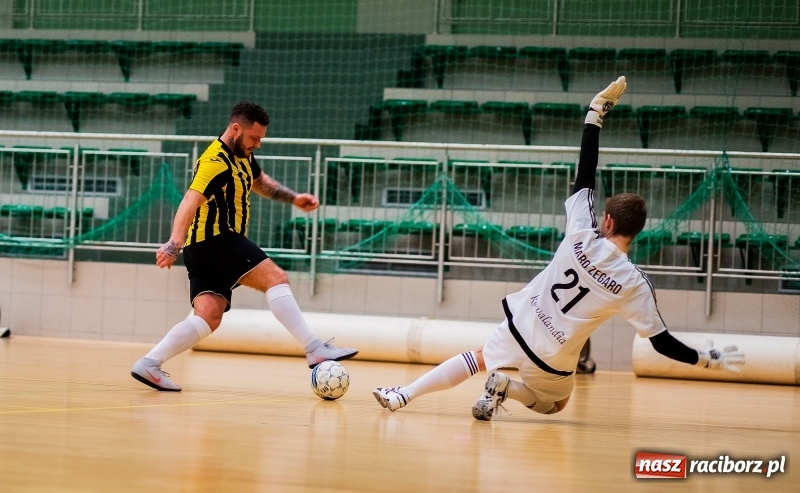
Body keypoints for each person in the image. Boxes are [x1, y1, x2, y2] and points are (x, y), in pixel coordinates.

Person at [373, 77, 745, 419]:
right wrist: (704, 359)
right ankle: (509, 389)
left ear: (608, 221)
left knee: (477, 358)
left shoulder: (581, 231)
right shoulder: (634, 283)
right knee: (556, 404)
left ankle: (402, 395)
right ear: (638, 231)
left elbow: (585, 173)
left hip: (522, 324)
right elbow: (661, 343)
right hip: (554, 357)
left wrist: (594, 115)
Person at [132, 101, 357, 391]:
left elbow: (260, 182)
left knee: (209, 317)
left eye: (260, 139)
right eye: (254, 138)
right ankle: (314, 348)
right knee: (276, 278)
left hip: (203, 250)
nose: (257, 144)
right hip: (218, 240)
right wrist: (174, 243)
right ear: (236, 129)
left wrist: (294, 198)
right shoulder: (216, 161)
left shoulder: (242, 154)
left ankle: (149, 364)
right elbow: (189, 200)